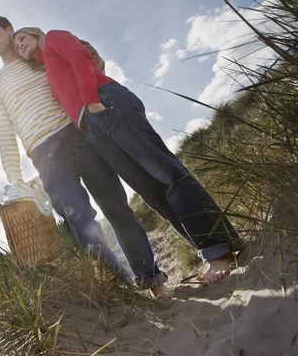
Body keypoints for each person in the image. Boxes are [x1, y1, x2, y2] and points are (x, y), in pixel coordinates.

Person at [13, 26, 246, 286]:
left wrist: (92, 102)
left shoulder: (54, 37)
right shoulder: (47, 71)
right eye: (16, 45)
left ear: (36, 34)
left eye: (22, 37)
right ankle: (211, 251)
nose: (19, 44)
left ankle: (221, 250)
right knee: (153, 192)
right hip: (92, 127)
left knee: (166, 173)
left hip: (105, 103)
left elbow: (81, 57)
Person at [0, 16, 170, 296]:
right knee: (79, 222)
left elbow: (80, 67)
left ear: (10, 30)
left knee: (116, 207)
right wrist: (14, 177)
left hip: (78, 133)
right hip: (44, 154)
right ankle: (120, 290)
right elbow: (3, 130)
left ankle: (150, 279)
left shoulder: (38, 58)